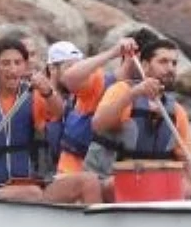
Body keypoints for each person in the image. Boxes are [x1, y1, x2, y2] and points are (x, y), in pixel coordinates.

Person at [0, 36, 101, 205]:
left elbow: (58, 112)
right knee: (31, 193)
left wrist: (48, 92)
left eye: (17, 63)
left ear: (25, 66)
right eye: (6, 63)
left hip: (39, 184)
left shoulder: (36, 96)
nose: (13, 69)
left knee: (90, 181)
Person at [88, 36, 191, 197]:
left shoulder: (176, 111)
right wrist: (134, 94)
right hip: (108, 179)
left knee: (185, 188)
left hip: (150, 184)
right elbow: (98, 124)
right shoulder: (122, 91)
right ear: (144, 65)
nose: (170, 68)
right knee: (126, 186)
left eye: (174, 63)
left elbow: (186, 160)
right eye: (163, 62)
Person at [50, 36, 139, 181]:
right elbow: (70, 78)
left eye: (174, 63)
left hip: (117, 177)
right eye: (162, 62)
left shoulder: (159, 101)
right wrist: (113, 52)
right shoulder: (98, 83)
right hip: (74, 176)